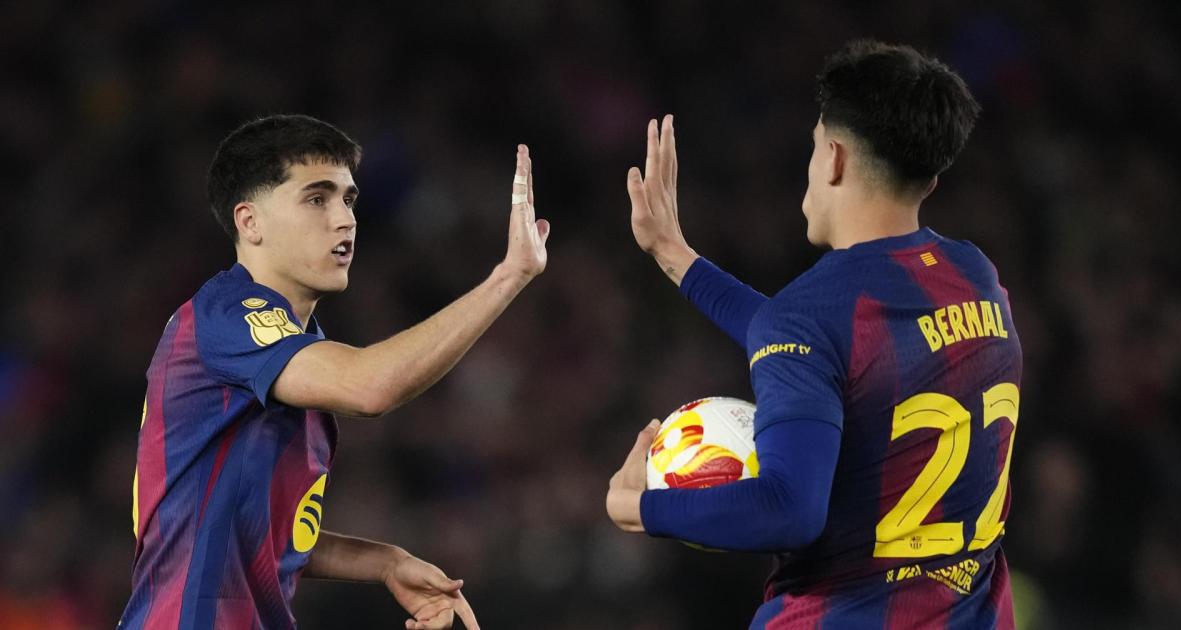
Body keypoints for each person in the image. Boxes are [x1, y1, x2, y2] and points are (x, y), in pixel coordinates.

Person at [606, 40, 1019, 628]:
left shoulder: (811, 318)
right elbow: (835, 349)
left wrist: (637, 507)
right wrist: (675, 255)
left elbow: (789, 508)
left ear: (833, 158)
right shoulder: (974, 277)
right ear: (929, 181)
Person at [121, 114, 549, 629]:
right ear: (250, 222)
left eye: (348, 199)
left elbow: (264, 532)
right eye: (316, 199)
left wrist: (384, 562)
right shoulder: (227, 316)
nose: (345, 219)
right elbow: (371, 387)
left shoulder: (294, 353)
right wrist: (508, 277)